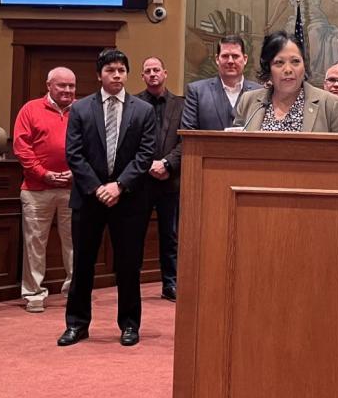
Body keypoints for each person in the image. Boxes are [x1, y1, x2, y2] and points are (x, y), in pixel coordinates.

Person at [58, 49, 157, 348]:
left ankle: (129, 324)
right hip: (89, 199)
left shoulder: (143, 110)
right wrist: (97, 187)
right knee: (83, 266)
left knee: (128, 265)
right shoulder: (81, 109)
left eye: (121, 70)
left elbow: (145, 155)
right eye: (110, 70)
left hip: (128, 200)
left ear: (127, 74)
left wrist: (119, 186)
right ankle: (77, 324)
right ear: (99, 74)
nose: (116, 75)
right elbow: (73, 153)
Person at [12, 67, 76, 313]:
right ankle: (34, 294)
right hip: (37, 188)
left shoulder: (80, 110)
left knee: (75, 243)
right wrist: (43, 173)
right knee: (34, 243)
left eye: (71, 86)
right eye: (62, 86)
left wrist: (75, 172)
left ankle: (75, 291)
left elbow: (90, 145)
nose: (68, 91)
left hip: (73, 187)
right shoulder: (30, 109)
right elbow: (22, 147)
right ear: (49, 85)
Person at [135, 56, 184, 302]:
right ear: (142, 77)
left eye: (156, 70)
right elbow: (128, 144)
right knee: (134, 234)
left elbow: (185, 140)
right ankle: (131, 281)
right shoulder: (132, 103)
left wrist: (166, 164)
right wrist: (147, 166)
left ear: (165, 73)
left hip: (170, 181)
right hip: (140, 183)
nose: (153, 74)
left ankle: (170, 284)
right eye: (148, 71)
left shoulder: (181, 104)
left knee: (170, 236)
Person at [232, 32, 338, 133]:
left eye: (295, 61)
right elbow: (234, 148)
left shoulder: (330, 104)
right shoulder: (248, 101)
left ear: (304, 66)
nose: (288, 69)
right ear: (268, 68)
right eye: (279, 62)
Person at [181, 34, 261, 131]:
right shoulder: (197, 92)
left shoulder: (260, 93)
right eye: (225, 56)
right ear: (217, 59)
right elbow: (188, 134)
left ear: (245, 59)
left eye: (235, 56)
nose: (230, 61)